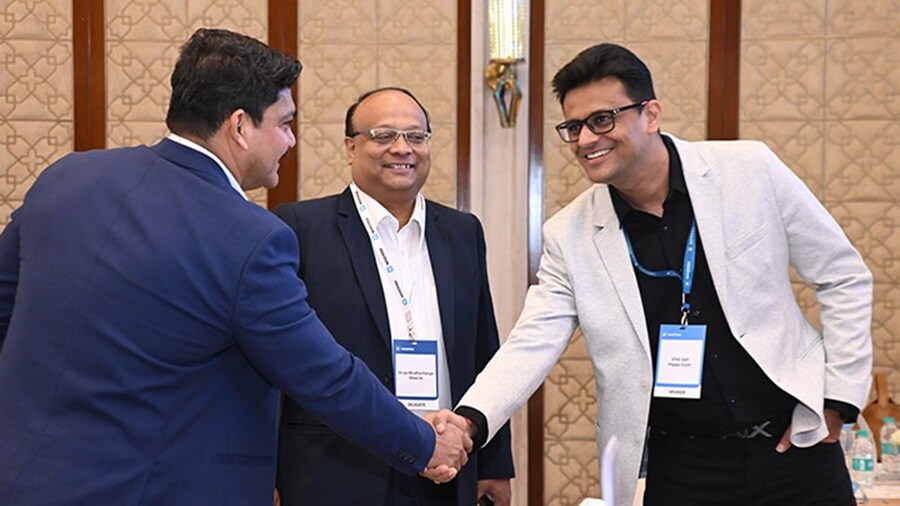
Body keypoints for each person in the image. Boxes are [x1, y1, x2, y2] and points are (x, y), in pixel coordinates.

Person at [0, 28, 470, 505]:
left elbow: (4, 310)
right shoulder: (249, 237)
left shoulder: (67, 178)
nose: (290, 141)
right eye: (285, 123)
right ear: (241, 126)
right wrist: (424, 443)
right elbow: (325, 376)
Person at [452, 43, 873, 505]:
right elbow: (530, 344)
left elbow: (843, 275)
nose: (586, 139)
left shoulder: (749, 169)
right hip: (680, 469)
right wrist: (468, 420)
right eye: (574, 127)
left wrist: (840, 400)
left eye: (602, 120)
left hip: (795, 447)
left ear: (650, 114)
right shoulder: (568, 236)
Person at [273, 87, 514, 506]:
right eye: (383, 136)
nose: (402, 148)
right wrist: (269, 473)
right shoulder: (301, 227)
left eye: (416, 137)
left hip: (447, 463)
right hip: (338, 469)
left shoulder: (462, 231)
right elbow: (278, 359)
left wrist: (493, 465)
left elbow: (483, 350)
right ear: (351, 147)